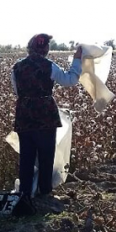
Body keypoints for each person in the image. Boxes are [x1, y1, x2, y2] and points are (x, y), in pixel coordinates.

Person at [11, 33, 82, 200]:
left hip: (24, 114)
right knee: (45, 155)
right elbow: (70, 80)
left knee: (27, 157)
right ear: (45, 49)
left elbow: (16, 91)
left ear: (30, 47)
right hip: (46, 115)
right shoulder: (49, 66)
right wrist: (77, 60)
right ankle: (44, 192)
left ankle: (25, 193)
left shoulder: (17, 67)